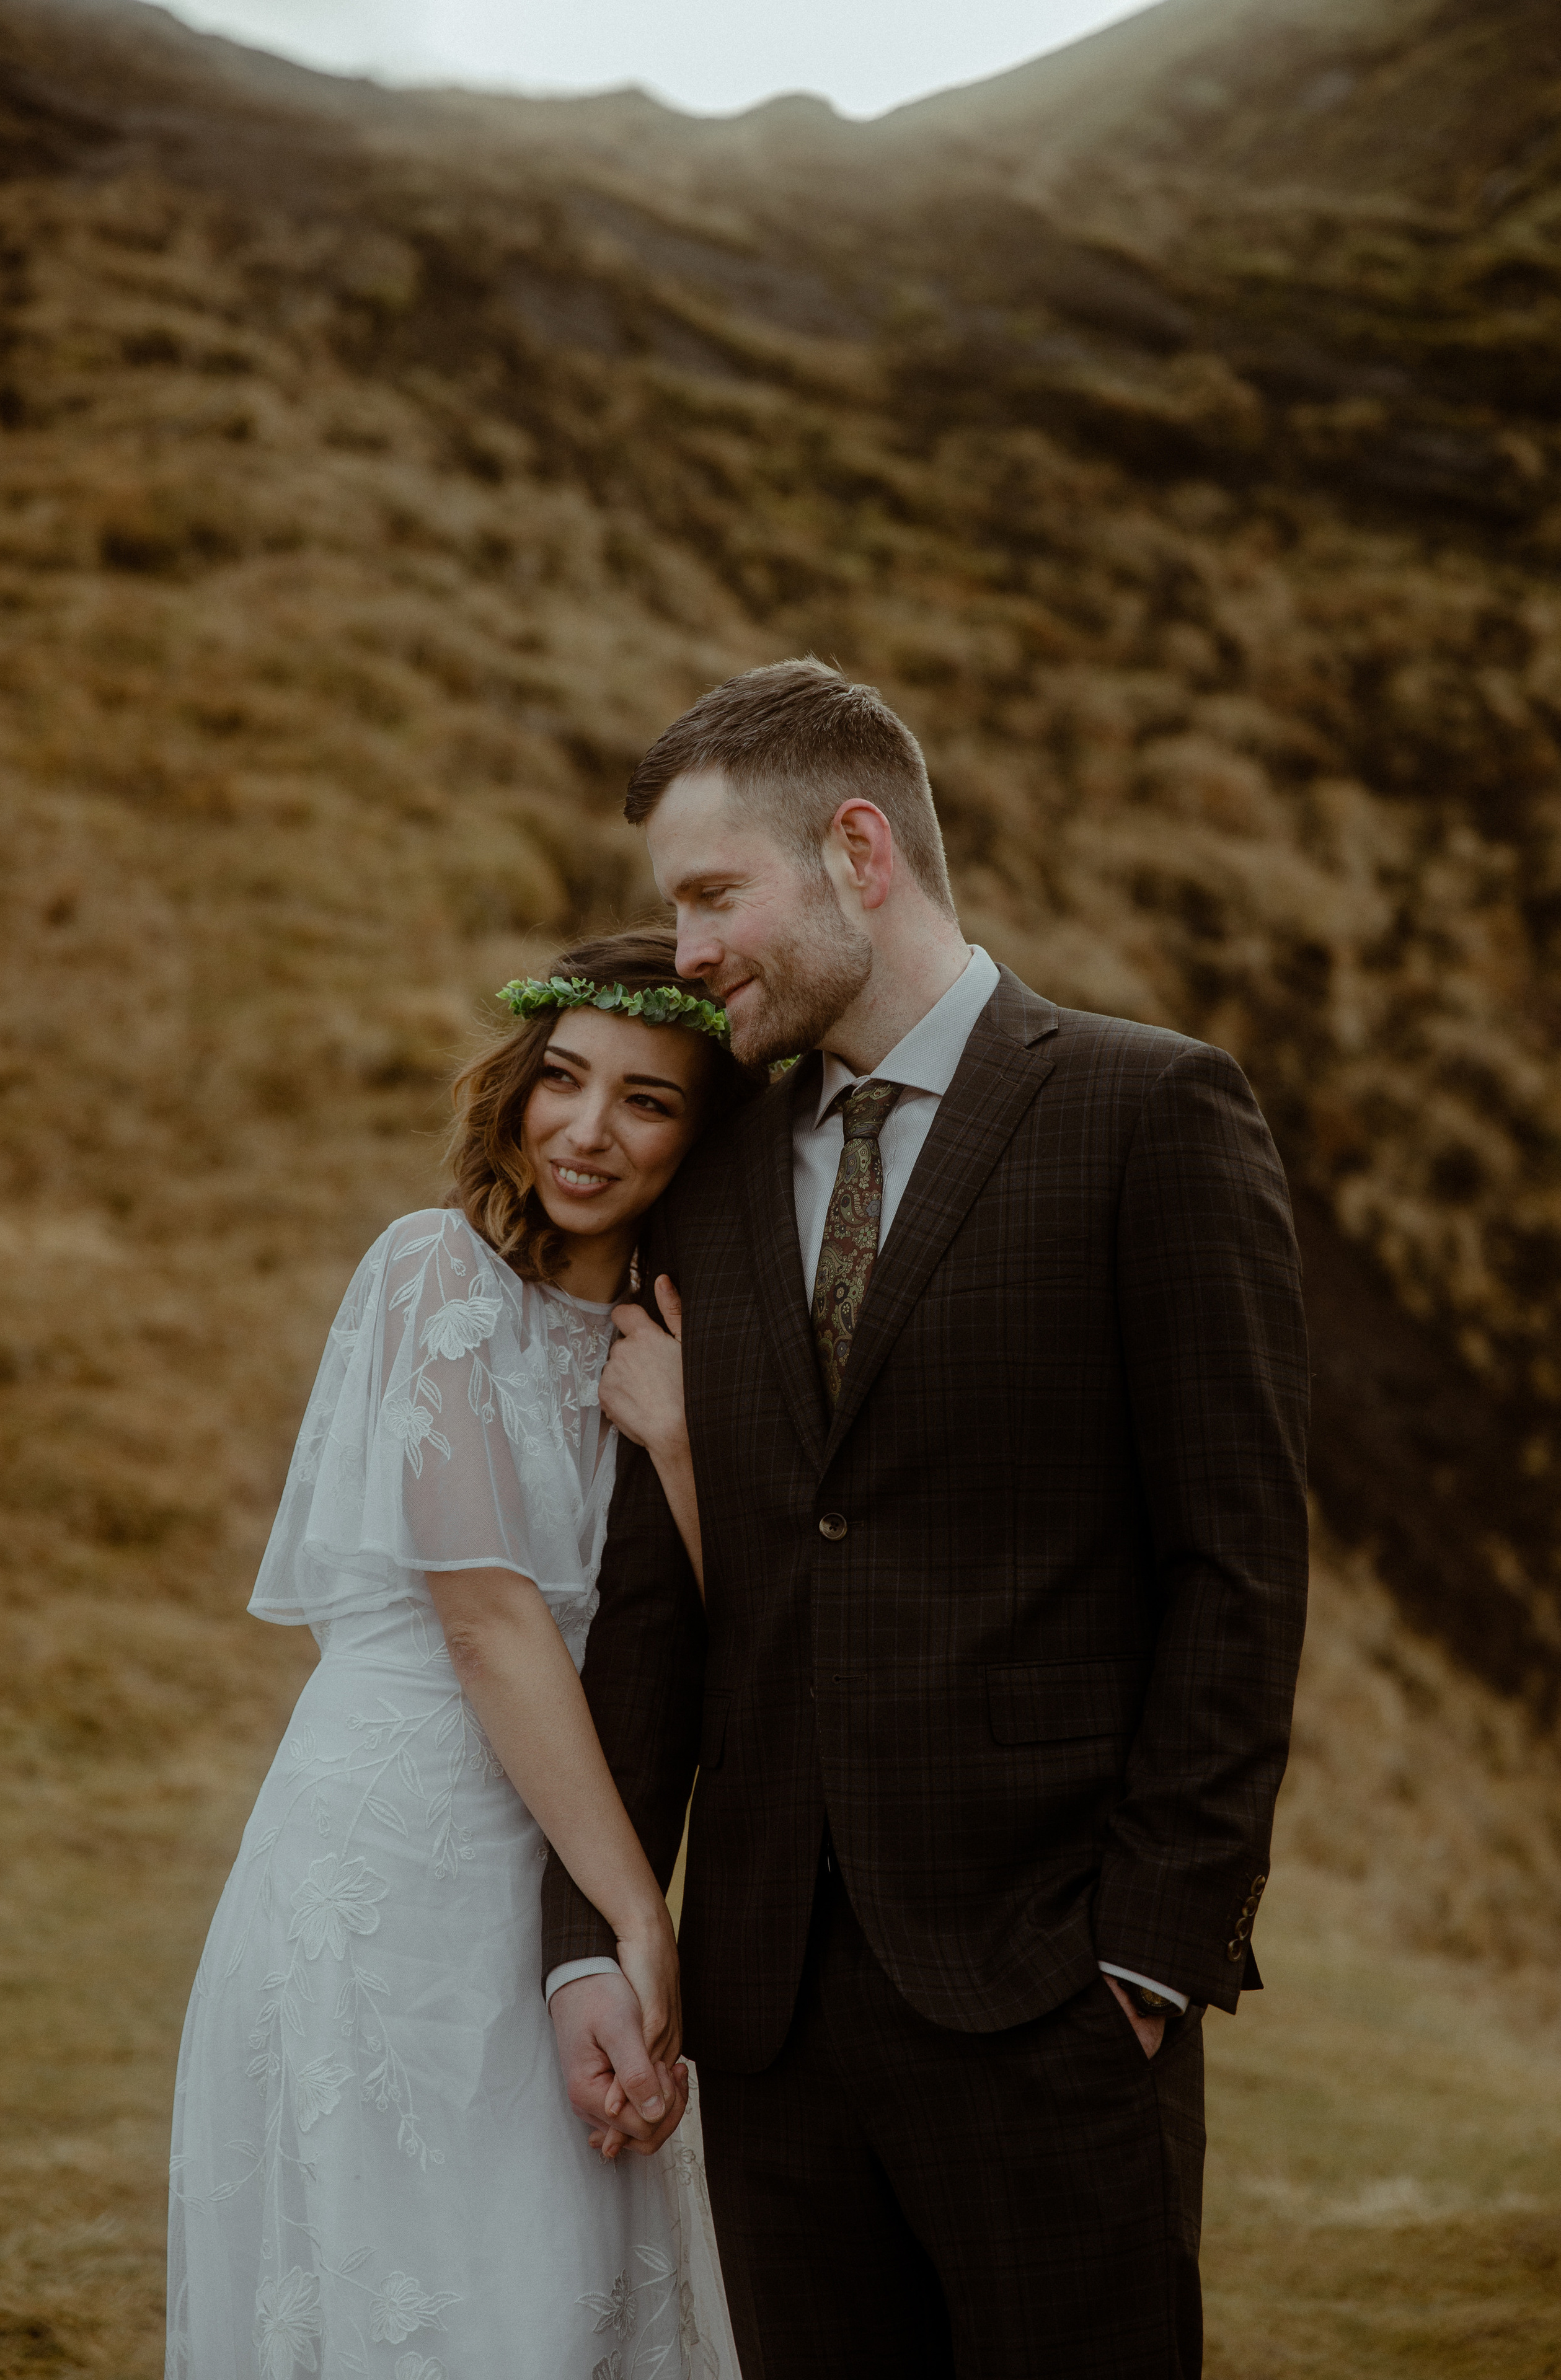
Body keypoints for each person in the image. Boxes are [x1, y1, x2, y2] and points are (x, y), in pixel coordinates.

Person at [542, 661, 1310, 2379]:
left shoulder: (1148, 1112)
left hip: (1054, 2002)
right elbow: (660, 1606)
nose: (688, 949)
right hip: (770, 2020)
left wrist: (1148, 1959)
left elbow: (1238, 1571)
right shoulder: (719, 1165)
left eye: (714, 894)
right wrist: (591, 1942)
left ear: (859, 850)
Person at [166, 930, 753, 2380]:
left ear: (705, 1138)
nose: (584, 1131)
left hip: (556, 1845)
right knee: (428, 2278)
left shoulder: (683, 1345)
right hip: (397, 1850)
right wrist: (638, 1914)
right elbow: (488, 1626)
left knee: (568, 2276)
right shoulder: (437, 1276)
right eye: (561, 1080)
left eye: (645, 1101)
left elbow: (734, 1622)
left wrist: (680, 1437)